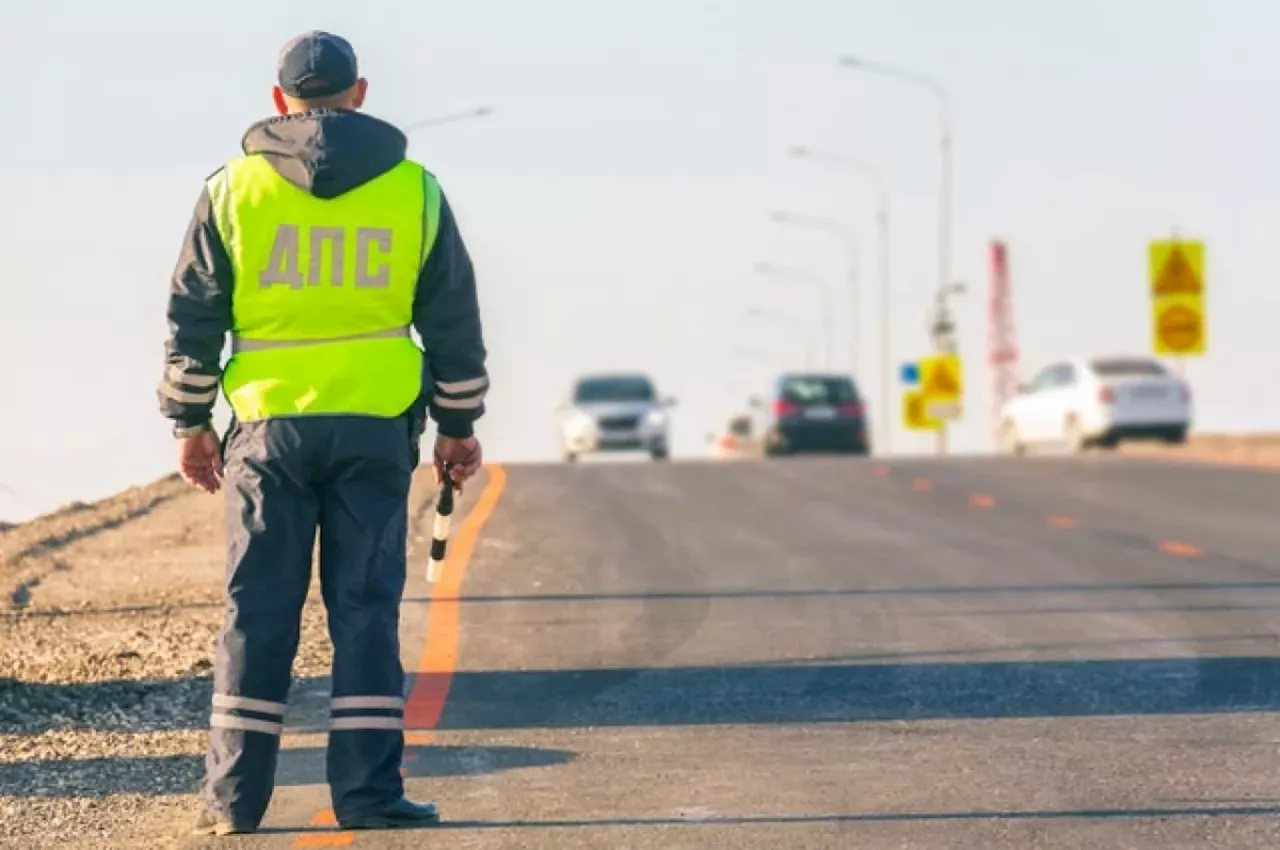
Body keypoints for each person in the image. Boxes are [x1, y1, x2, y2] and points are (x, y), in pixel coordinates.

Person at [155, 30, 490, 836]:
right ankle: (369, 798)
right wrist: (457, 425)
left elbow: (194, 314)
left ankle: (234, 802)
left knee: (256, 610)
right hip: (375, 429)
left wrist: (191, 421)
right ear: (361, 93)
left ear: (279, 102)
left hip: (268, 430)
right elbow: (453, 319)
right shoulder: (414, 191)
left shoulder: (232, 191)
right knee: (365, 611)